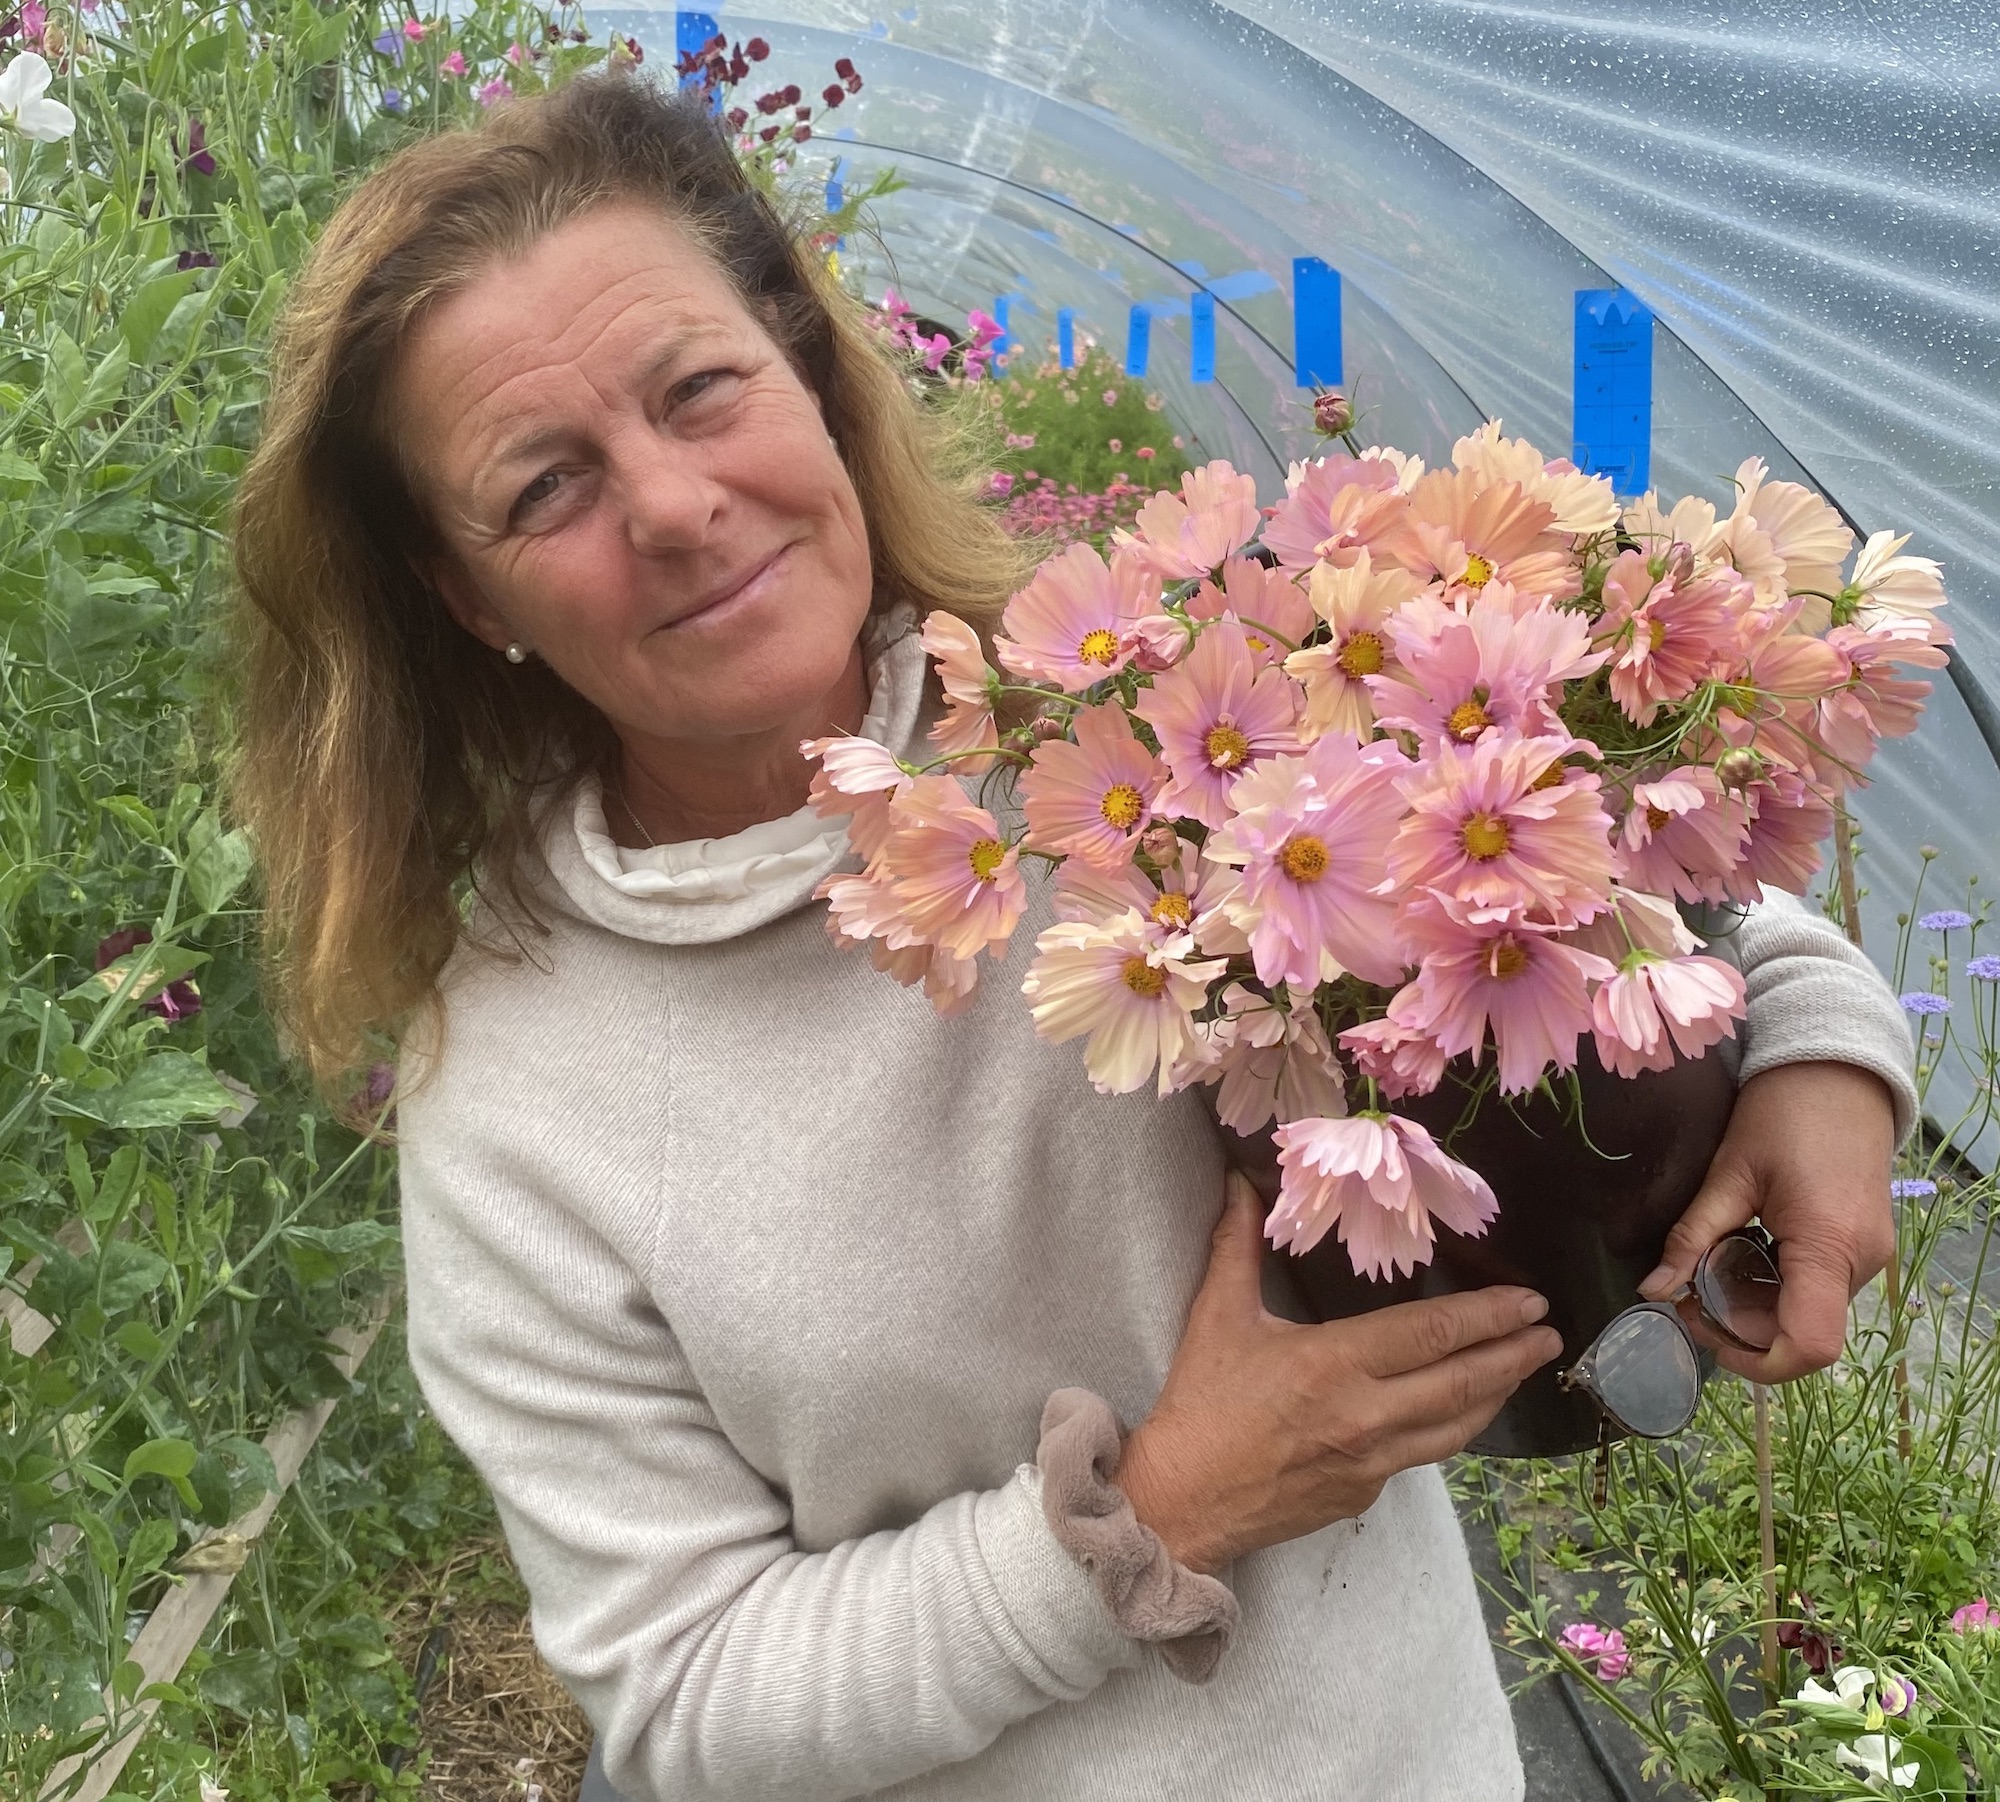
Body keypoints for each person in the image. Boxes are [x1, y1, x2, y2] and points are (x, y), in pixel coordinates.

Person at [228, 72, 1916, 1802]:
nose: (669, 504)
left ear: (808, 376)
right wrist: (1162, 1510)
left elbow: (1603, 871)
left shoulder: (1122, 717)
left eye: (701, 388)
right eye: (544, 487)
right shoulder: (519, 1095)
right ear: (466, 595)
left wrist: (1823, 1051)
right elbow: (686, 1700)